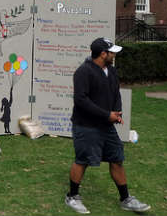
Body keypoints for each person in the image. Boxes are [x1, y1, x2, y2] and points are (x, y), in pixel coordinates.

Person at [64, 37, 150, 214]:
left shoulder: (111, 70)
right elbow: (81, 101)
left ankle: (126, 199)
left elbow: (115, 93)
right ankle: (72, 196)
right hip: (86, 126)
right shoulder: (83, 72)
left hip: (107, 126)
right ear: (103, 54)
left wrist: (117, 113)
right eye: (112, 52)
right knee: (83, 160)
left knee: (117, 159)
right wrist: (106, 114)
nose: (114, 55)